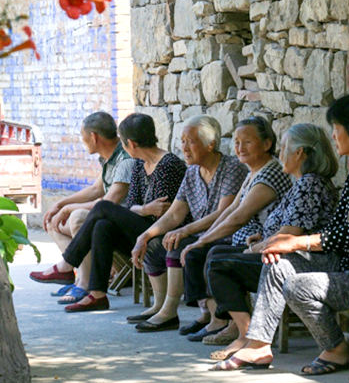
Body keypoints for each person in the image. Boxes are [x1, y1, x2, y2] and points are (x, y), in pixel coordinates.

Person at [211, 93, 349, 374]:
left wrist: (298, 241)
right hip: (348, 266)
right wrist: (285, 245)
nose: (333, 135)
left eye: (337, 128)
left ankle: (335, 348)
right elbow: (336, 230)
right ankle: (259, 345)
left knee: (297, 286)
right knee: (277, 264)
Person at [205, 123, 338, 361]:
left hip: (302, 261)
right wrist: (262, 240)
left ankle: (247, 334)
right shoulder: (300, 183)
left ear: (300, 153)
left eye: (285, 147)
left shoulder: (310, 184)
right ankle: (244, 332)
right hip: (283, 254)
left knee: (219, 265)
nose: (280, 153)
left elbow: (289, 235)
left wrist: (257, 247)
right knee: (216, 254)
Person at [37, 113, 186, 313]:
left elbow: (163, 215)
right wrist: (144, 209)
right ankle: (97, 294)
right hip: (142, 229)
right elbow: (133, 205)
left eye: (123, 144)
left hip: (162, 234)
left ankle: (67, 264)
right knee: (102, 226)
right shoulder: (140, 164)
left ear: (131, 144)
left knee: (102, 208)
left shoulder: (168, 165)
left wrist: (144, 211)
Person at [127, 114, 248, 332]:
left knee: (178, 247)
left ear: (210, 144)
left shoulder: (231, 167)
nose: (184, 148)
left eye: (190, 141)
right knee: (155, 246)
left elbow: (223, 214)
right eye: (182, 141)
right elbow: (174, 214)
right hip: (200, 233)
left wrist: (185, 231)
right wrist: (144, 236)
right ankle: (190, 311)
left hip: (224, 233)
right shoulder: (192, 171)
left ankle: (171, 311)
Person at [179, 116, 292, 343]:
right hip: (246, 239)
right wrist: (201, 238)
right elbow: (231, 209)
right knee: (195, 252)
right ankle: (214, 317)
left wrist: (201, 241)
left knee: (208, 254)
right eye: (237, 142)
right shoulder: (253, 172)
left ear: (267, 144)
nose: (239, 148)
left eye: (247, 142)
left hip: (259, 242)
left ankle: (230, 324)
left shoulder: (271, 172)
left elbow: (239, 217)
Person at [30, 111, 136, 304]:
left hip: (121, 227)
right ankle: (73, 275)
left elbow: (109, 201)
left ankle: (84, 283)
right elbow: (96, 189)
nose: (82, 140)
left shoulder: (125, 160)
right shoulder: (107, 158)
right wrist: (60, 204)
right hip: (104, 221)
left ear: (94, 137)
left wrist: (70, 209)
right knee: (53, 222)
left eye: (83, 136)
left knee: (78, 216)